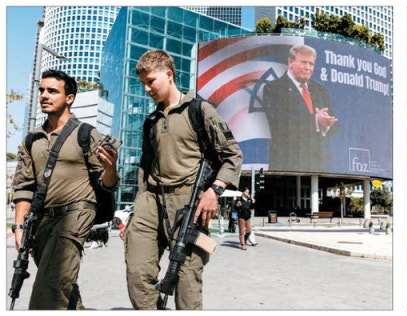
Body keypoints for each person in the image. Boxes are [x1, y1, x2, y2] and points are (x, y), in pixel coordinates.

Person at [124, 49, 243, 310]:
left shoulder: (200, 110)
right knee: (137, 274)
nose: (146, 89)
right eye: (143, 83)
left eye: (150, 81)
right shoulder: (151, 121)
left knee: (187, 282)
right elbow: (145, 167)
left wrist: (214, 191)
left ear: (169, 75)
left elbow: (233, 155)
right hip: (151, 200)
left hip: (190, 201)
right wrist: (137, 209)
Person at [11, 69, 120, 309]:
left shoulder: (85, 133)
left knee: (49, 288)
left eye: (52, 91)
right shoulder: (32, 139)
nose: (44, 95)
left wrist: (111, 168)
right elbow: (24, 186)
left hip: (76, 214)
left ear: (69, 98)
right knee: (63, 287)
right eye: (41, 90)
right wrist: (19, 227)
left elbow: (107, 183)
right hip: (42, 222)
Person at [262, 44, 339, 172]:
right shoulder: (274, 88)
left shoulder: (319, 89)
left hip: (318, 165)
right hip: (288, 166)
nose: (308, 68)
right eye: (304, 63)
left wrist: (326, 124)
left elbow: (335, 125)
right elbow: (280, 124)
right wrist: (315, 121)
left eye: (311, 64)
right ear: (290, 62)